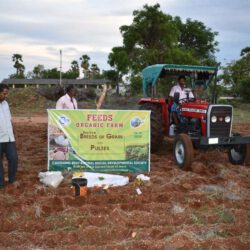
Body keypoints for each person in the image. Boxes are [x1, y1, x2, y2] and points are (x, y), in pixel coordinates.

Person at [0, 84, 18, 189]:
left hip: (9, 137)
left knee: (14, 158)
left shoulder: (6, 104)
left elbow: (10, 119)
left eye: (7, 93)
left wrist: (15, 134)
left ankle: (12, 180)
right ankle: (1, 183)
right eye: (4, 93)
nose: (6, 95)